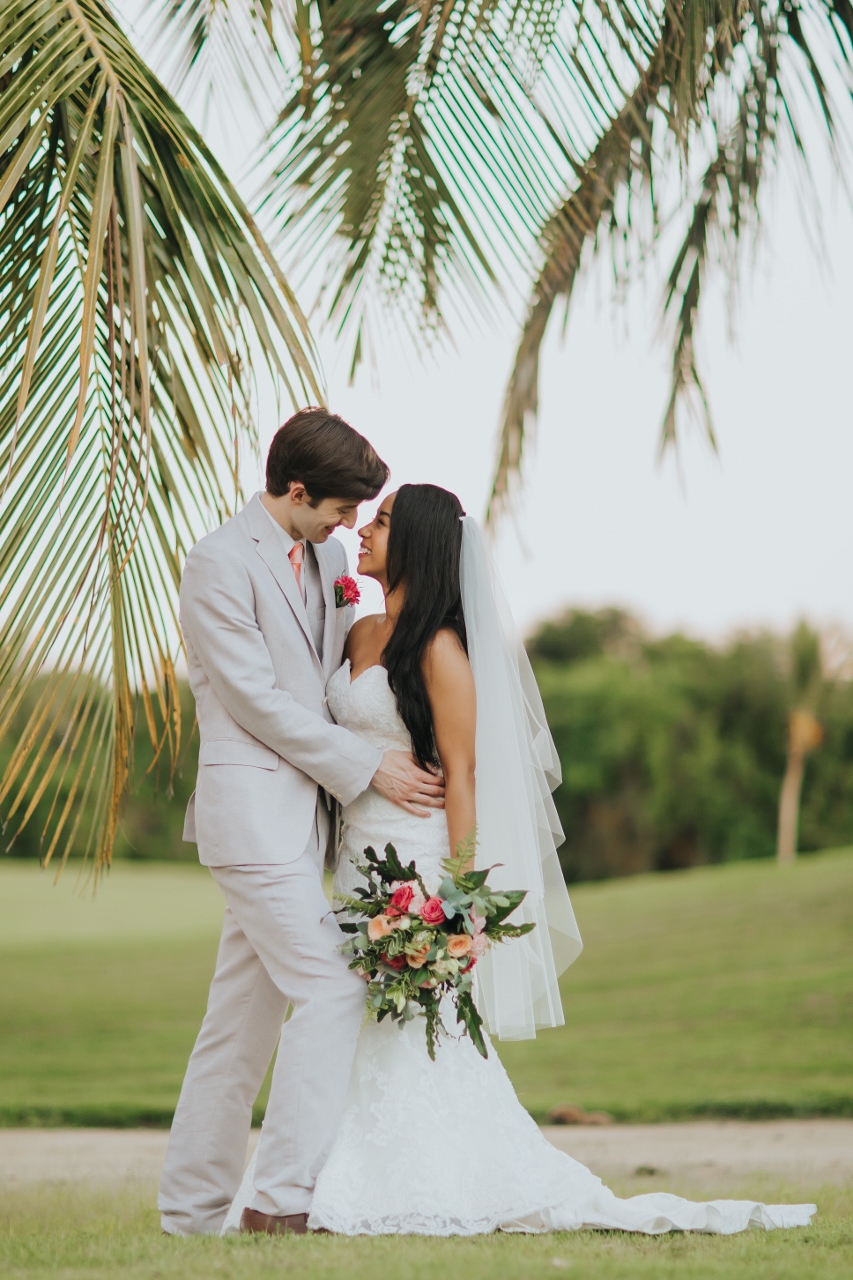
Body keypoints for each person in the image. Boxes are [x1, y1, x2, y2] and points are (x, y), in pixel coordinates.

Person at [223, 483, 815, 1237]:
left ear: (423, 545)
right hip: (352, 861)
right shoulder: (358, 630)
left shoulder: (439, 651)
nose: (363, 530)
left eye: (382, 521)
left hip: (416, 863)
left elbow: (463, 776)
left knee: (411, 1028)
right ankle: (312, 1176)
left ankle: (407, 1180)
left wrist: (460, 901)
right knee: (347, 1018)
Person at [158, 412, 445, 1237]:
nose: (350, 527)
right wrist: (368, 765)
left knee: (236, 1028)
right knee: (331, 985)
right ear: (294, 490)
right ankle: (279, 1200)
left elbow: (332, 673)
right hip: (247, 822)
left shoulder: (323, 556)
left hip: (308, 828)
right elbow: (256, 699)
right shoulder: (217, 563)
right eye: (341, 510)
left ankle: (188, 1214)